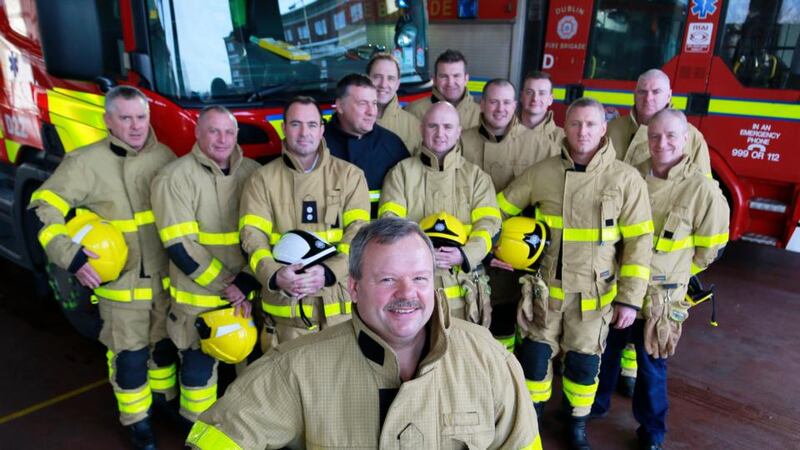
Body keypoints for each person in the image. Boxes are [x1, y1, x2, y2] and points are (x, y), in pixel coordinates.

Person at [186, 218, 541, 449]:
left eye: (420, 278)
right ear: (354, 288)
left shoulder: (487, 359)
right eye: (387, 279)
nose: (407, 293)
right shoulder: (296, 368)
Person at [497, 97, 654, 449]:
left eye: (590, 124)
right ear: (564, 128)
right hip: (544, 295)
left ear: (603, 129)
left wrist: (629, 299)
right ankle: (531, 418)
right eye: (575, 124)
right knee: (534, 361)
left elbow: (639, 243)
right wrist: (497, 249)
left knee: (584, 366)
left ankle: (577, 423)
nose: (583, 131)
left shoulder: (625, 179)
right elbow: (498, 211)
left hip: (593, 299)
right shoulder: (542, 173)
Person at [30, 86, 177, 449]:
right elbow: (44, 206)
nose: (135, 126)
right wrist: (72, 257)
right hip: (122, 288)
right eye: (125, 118)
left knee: (163, 351)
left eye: (141, 117)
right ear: (108, 120)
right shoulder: (85, 162)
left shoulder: (165, 156)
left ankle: (162, 403)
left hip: (165, 282)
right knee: (130, 359)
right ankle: (138, 423)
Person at [591, 109, 729, 450]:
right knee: (605, 352)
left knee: (652, 368)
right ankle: (596, 406)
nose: (661, 143)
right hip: (621, 288)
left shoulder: (703, 190)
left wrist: (676, 275)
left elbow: (708, 250)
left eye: (670, 136)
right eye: (654, 136)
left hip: (660, 300)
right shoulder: (630, 177)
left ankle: (652, 432)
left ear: (686, 139)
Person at [150, 106, 261, 426]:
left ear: (237, 135)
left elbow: (265, 235)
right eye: (213, 131)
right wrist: (230, 285)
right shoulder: (174, 177)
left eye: (229, 131)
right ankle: (195, 437)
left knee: (251, 373)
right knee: (197, 379)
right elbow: (180, 246)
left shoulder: (254, 173)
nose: (222, 139)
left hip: (243, 297)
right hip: (199, 301)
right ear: (197, 133)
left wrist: (246, 282)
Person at [239, 96, 370, 349]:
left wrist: (329, 272)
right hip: (285, 316)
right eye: (295, 124)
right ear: (284, 128)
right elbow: (252, 237)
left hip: (339, 311)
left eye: (311, 125)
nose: (304, 133)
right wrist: (275, 275)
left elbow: (359, 235)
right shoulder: (261, 180)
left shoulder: (350, 176)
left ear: (321, 129)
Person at [378, 102, 500, 324]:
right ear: (421, 129)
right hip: (412, 288)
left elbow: (488, 225)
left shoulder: (476, 177)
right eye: (433, 126)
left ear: (459, 131)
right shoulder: (401, 173)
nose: (440, 133)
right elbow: (390, 224)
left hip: (465, 291)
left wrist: (464, 255)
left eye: (447, 127)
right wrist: (422, 255)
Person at [461, 78, 556, 350]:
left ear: (515, 105)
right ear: (481, 104)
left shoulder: (541, 146)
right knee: (468, 326)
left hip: (516, 257)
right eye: (493, 101)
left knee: (506, 327)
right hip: (470, 251)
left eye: (506, 102)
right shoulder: (461, 141)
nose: (500, 108)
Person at [324, 74, 409, 217]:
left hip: (378, 230)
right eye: (362, 103)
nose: (371, 112)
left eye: (374, 103)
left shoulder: (392, 146)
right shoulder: (318, 146)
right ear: (340, 106)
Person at [606, 69, 711, 176]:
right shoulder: (612, 128)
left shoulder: (692, 136)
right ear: (635, 95)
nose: (648, 98)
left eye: (656, 92)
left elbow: (705, 182)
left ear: (669, 96)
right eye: (642, 92)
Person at [406, 49, 481, 129]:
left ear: (466, 79)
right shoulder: (414, 111)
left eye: (456, 76)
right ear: (434, 80)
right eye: (444, 76)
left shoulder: (482, 114)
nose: (450, 83)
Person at [367, 52, 422, 153]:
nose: (383, 85)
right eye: (377, 77)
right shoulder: (349, 120)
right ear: (367, 79)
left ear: (397, 84)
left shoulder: (414, 127)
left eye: (390, 78)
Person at [519, 71, 565, 144]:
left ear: (550, 99)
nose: (535, 98)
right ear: (521, 96)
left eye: (542, 93)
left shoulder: (563, 139)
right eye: (529, 92)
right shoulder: (503, 130)